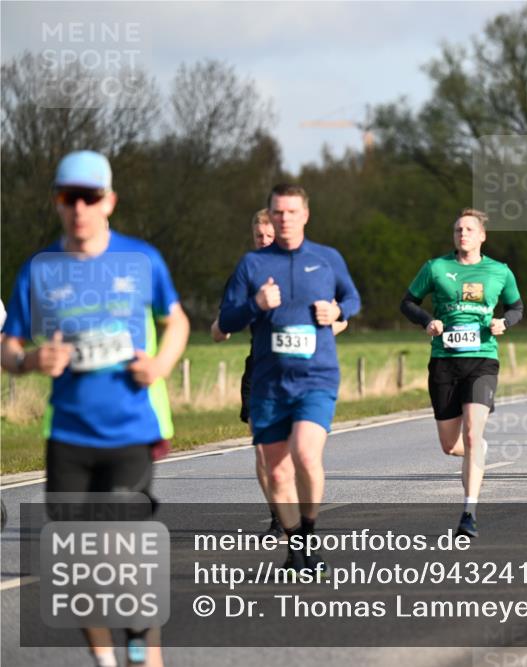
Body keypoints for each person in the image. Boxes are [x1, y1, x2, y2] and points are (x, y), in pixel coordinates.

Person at [1, 150, 189, 667]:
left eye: (89, 197)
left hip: (129, 432)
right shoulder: (38, 272)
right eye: (68, 197)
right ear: (57, 203)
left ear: (109, 201)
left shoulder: (141, 259)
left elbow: (176, 321)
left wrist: (160, 365)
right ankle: (106, 660)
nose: (79, 208)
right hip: (68, 437)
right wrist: (31, 359)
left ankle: (142, 653)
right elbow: (7, 346)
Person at [218, 184, 361, 572]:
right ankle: (296, 549)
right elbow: (225, 320)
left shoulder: (327, 258)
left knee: (305, 453)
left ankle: (308, 537)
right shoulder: (252, 265)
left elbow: (353, 299)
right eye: (277, 212)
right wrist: (255, 305)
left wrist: (337, 312)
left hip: (316, 376)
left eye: (291, 212)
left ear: (305, 215)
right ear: (270, 214)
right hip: (268, 382)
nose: (284, 219)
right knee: (277, 470)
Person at [400, 208, 523, 538]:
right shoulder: (436, 268)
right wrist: (428, 321)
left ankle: (468, 513)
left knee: (471, 433)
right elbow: (408, 302)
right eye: (458, 230)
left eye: (469, 229)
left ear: (482, 235)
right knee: (451, 444)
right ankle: (477, 450)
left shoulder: (499, 272)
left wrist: (504, 322)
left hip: (482, 360)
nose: (462, 234)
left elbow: (516, 307)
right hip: (444, 361)